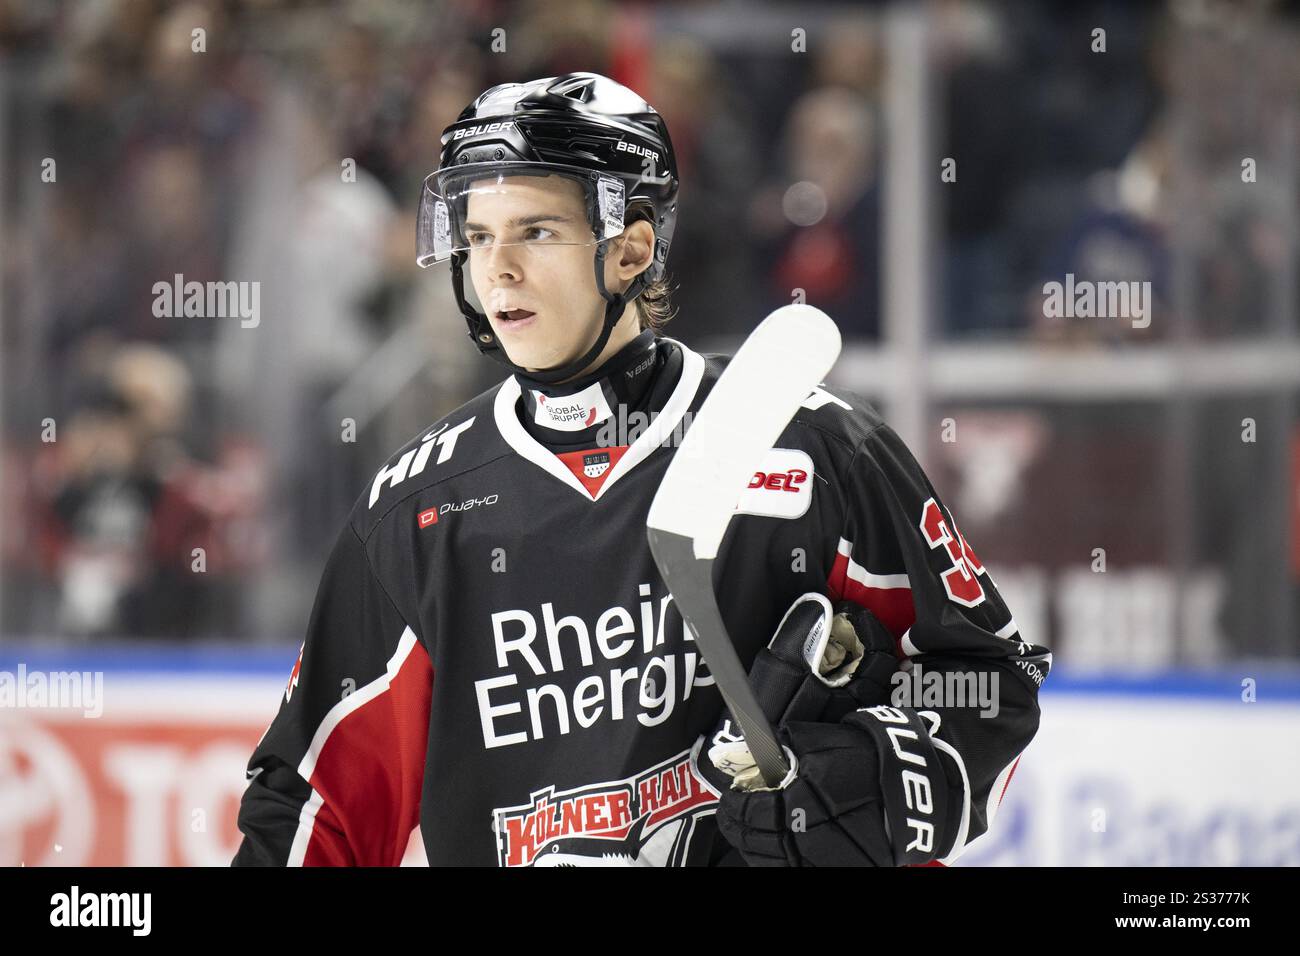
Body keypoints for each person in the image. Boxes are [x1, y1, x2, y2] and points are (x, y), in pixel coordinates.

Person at [232, 72, 1050, 867]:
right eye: (479, 235)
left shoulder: (805, 448)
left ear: (632, 249)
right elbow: (316, 809)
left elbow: (988, 685)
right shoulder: (417, 512)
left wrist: (875, 776)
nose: (498, 268)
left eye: (536, 231)